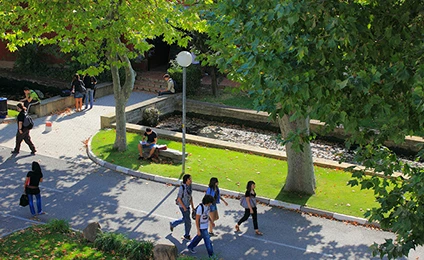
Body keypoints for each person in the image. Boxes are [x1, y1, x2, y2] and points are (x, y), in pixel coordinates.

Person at [170, 174, 195, 241]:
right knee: (188, 221)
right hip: (183, 206)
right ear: (186, 180)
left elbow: (190, 197)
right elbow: (179, 199)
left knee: (185, 219)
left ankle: (173, 223)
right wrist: (184, 207)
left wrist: (192, 207)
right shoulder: (182, 188)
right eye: (189, 179)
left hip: (187, 205)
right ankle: (187, 235)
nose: (191, 180)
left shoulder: (189, 186)